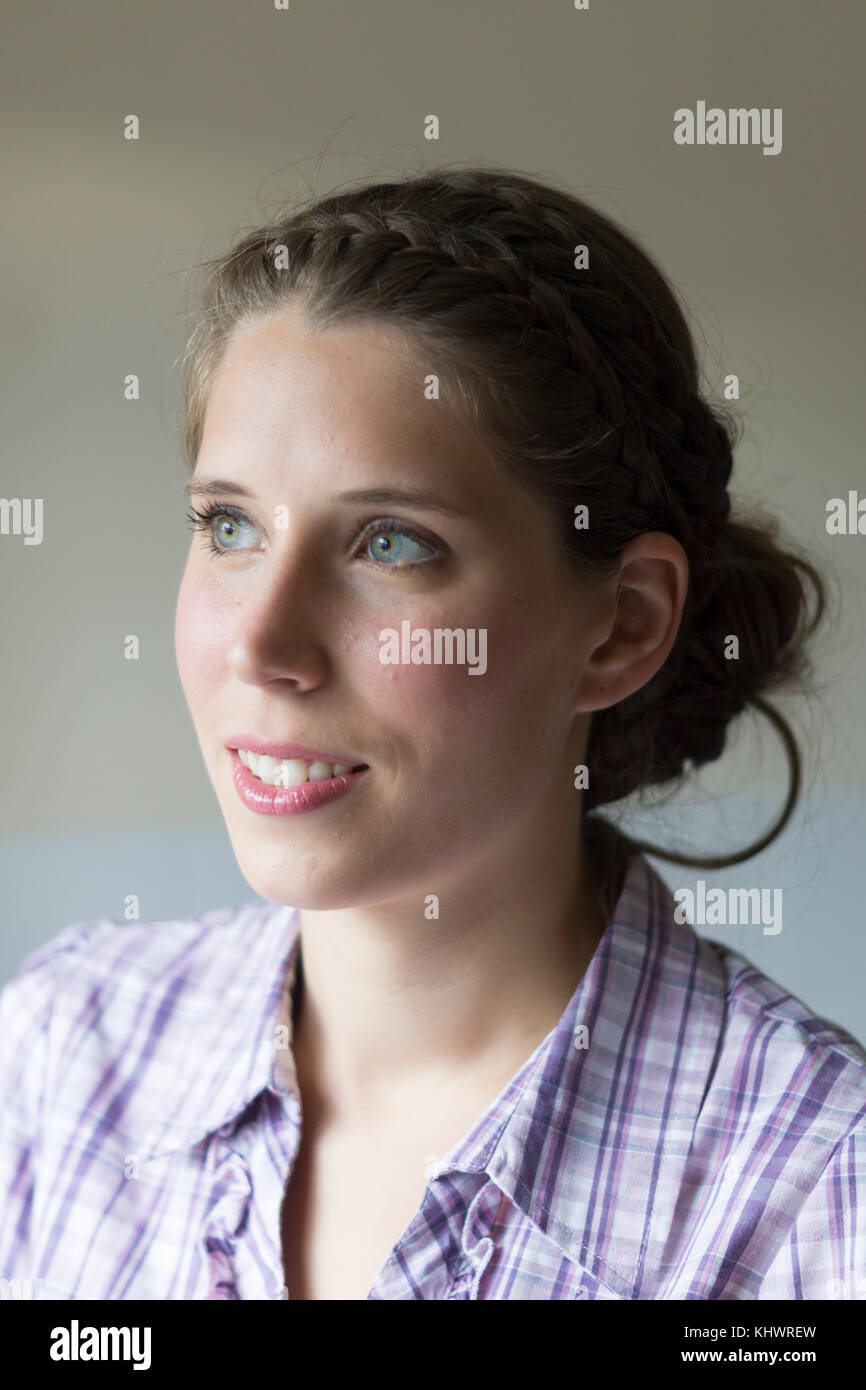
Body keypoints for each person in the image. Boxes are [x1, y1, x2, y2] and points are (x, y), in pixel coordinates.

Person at [1, 165, 863, 1301]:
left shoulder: (811, 1193)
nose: (262, 647)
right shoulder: (60, 1055)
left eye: (390, 544)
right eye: (228, 525)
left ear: (620, 624)